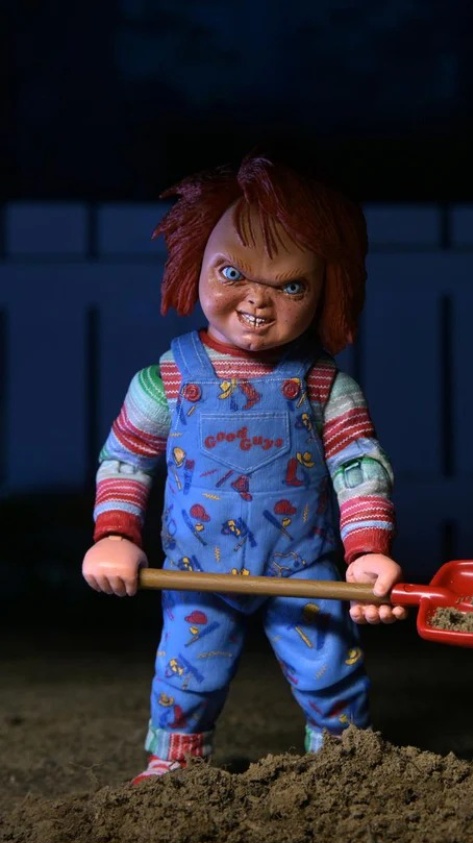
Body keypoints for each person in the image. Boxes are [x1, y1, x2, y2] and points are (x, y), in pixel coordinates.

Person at [81, 150, 406, 784]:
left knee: (329, 670)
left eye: (291, 286)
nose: (258, 301)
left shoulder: (326, 388)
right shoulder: (164, 382)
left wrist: (368, 550)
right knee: (187, 671)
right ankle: (175, 763)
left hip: (303, 569)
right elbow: (125, 459)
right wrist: (114, 534)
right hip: (195, 571)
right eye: (233, 273)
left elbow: (359, 468)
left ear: (327, 290)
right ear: (195, 262)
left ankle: (346, 767)